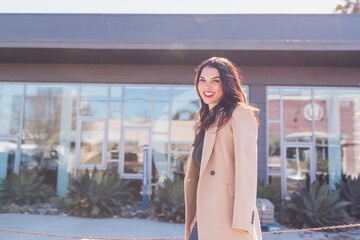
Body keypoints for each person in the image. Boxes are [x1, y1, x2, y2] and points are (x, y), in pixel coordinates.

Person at [184, 57, 262, 240]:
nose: (207, 86)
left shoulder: (239, 114)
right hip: (205, 217)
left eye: (215, 81)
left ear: (227, 84)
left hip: (229, 218)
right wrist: (198, 214)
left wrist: (243, 223)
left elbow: (247, 172)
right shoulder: (206, 121)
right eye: (202, 80)